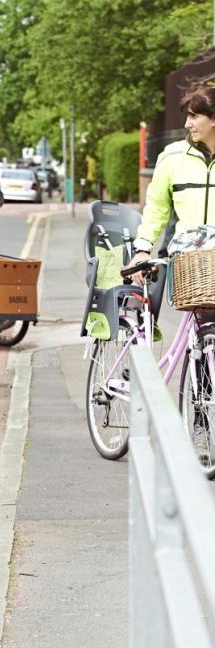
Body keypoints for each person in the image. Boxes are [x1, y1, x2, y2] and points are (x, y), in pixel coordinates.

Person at [127, 85, 215, 457]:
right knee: (202, 331)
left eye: (195, 115)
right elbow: (157, 210)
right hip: (191, 262)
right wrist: (143, 247)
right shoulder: (172, 157)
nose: (188, 122)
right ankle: (199, 420)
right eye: (187, 115)